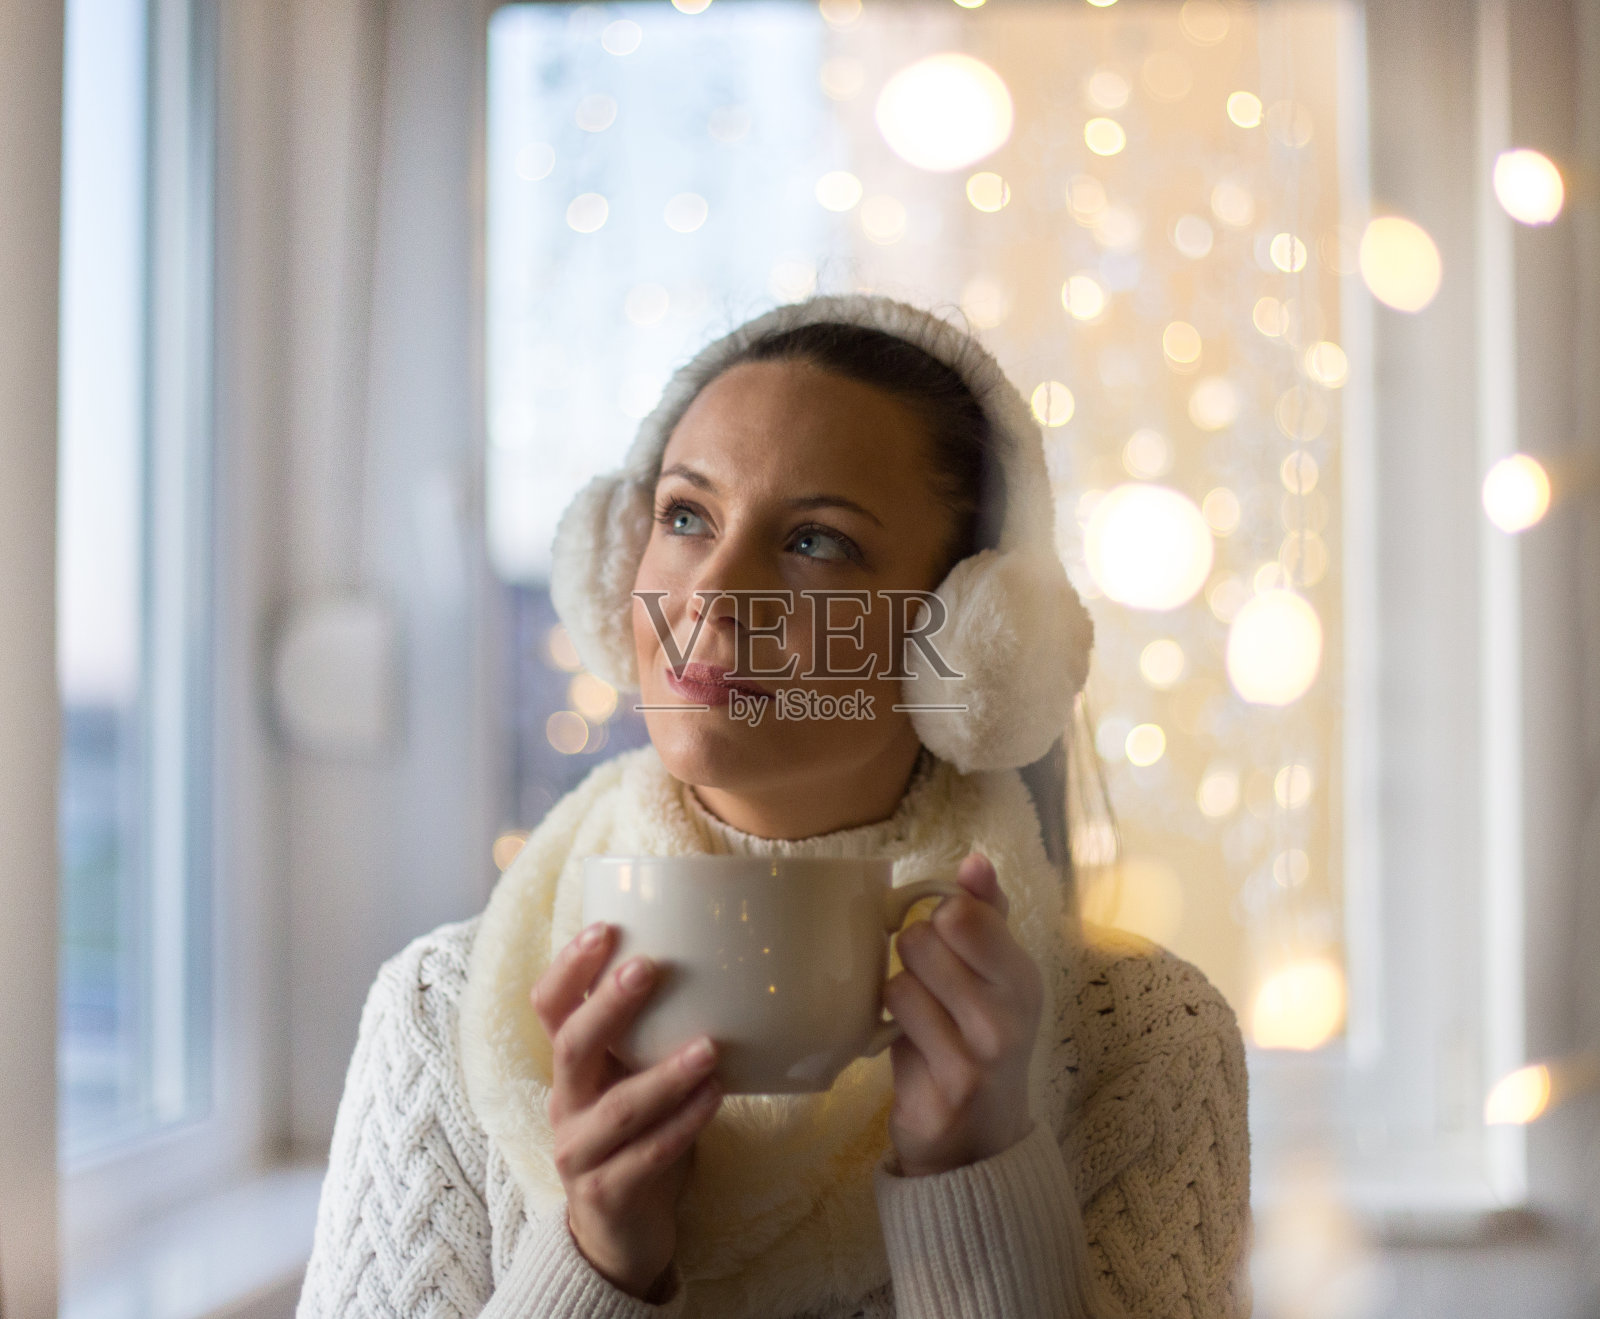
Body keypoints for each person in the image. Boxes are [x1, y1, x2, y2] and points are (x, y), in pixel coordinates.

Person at [297, 295, 1251, 1319]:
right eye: (685, 515)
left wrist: (974, 1187)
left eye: (818, 542)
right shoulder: (440, 1013)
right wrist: (593, 1260)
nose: (711, 592)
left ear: (972, 639)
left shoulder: (1149, 1044)